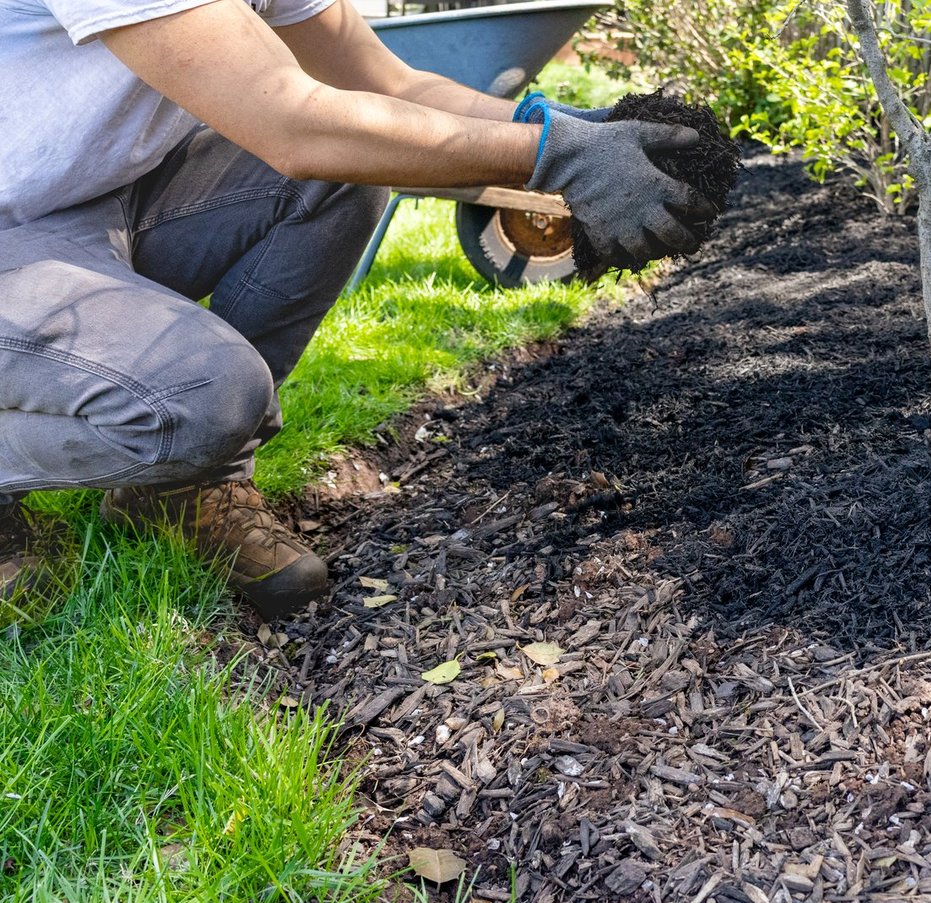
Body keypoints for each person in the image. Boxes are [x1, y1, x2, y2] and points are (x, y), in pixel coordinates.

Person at [0, 0, 714, 619]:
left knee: (349, 172)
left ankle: (179, 490)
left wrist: (561, 126)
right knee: (200, 396)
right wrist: (553, 158)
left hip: (86, 202)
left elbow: (388, 85)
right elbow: (295, 124)